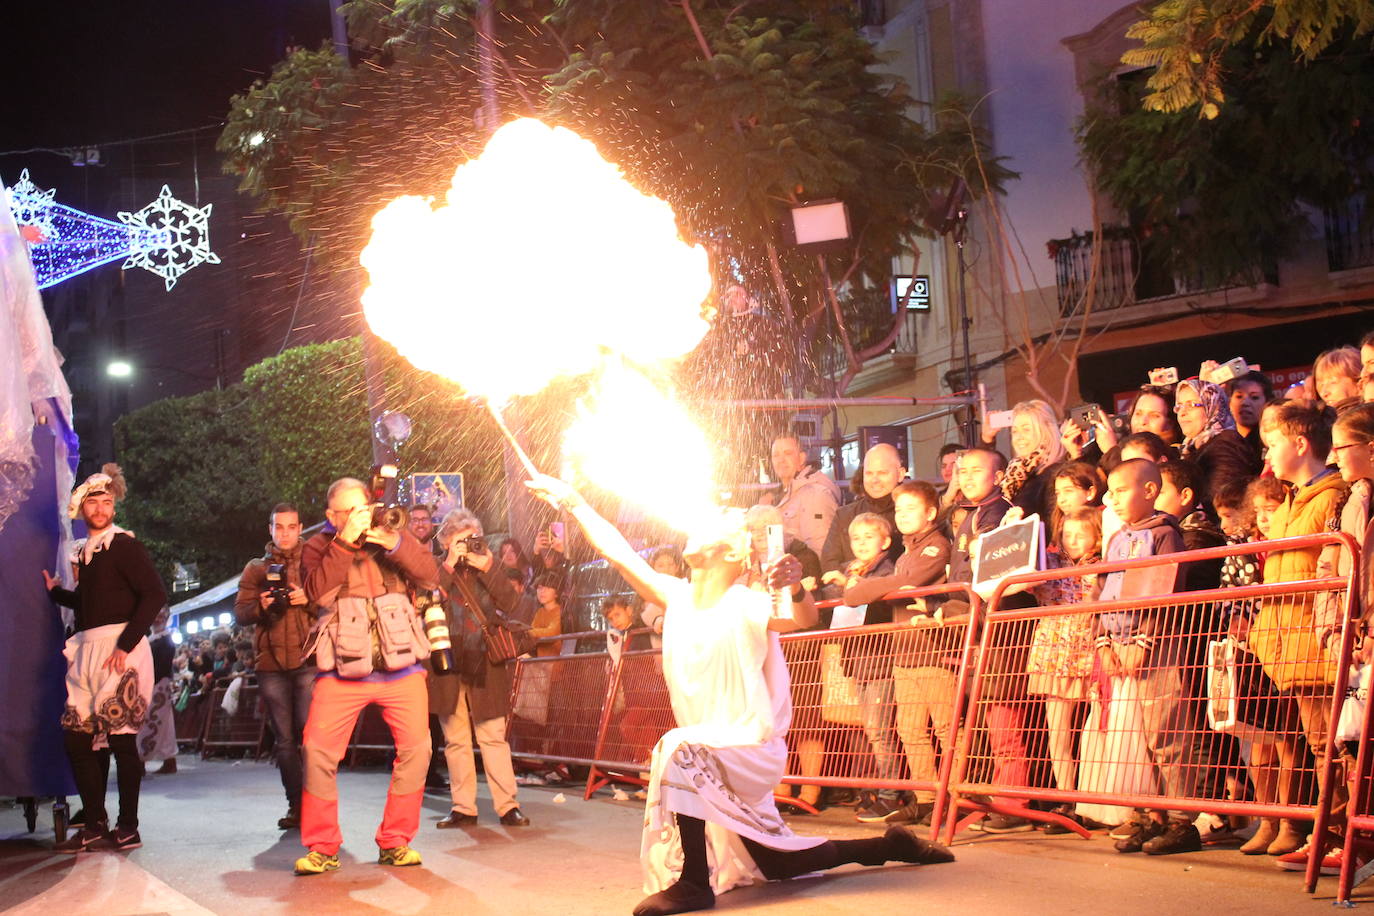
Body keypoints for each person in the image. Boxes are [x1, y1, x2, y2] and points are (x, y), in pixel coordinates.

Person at [525, 473, 953, 916]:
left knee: (677, 745)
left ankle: (693, 883)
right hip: (711, 754)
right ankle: (886, 845)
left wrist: (793, 585)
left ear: (733, 552)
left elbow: (798, 620)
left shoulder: (745, 602)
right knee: (776, 861)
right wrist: (574, 502)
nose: (693, 531)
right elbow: (615, 548)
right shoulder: (676, 596)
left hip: (748, 745)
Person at [294, 477, 440, 876]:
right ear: (331, 516)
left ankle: (395, 841)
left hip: (401, 665)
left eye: (364, 509)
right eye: (349, 512)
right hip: (342, 668)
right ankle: (323, 846)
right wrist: (345, 541)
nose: (361, 517)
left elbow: (431, 575)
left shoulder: (392, 535)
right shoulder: (318, 546)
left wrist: (394, 542)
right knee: (318, 752)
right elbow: (318, 594)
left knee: (418, 749)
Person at [44, 465, 167, 852]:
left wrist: (125, 644)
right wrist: (57, 594)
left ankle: (128, 826)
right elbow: (92, 602)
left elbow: (154, 595)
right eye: (93, 501)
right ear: (83, 508)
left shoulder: (124, 545)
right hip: (87, 650)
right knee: (78, 739)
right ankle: (95, 821)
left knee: (121, 741)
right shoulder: (89, 553)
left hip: (119, 651)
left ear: (114, 505)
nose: (100, 507)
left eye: (106, 501)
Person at [1253, 404, 1351, 871]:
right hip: (1292, 642)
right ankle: (1330, 835)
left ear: (1299, 444)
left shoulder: (1331, 496)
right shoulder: (1295, 499)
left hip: (1319, 641)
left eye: (1273, 442)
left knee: (1336, 745)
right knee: (1322, 745)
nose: (1267, 451)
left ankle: (1343, 838)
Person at [1095, 459, 1199, 855]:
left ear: (1150, 491)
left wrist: (1144, 641)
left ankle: (1181, 821)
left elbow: (1163, 592)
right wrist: (1103, 642)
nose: (1114, 499)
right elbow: (1104, 594)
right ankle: (1146, 814)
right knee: (1133, 739)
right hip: (1118, 645)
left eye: (1121, 490)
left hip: (1154, 647)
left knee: (1166, 736)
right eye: (1111, 492)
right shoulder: (1118, 537)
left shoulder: (1164, 534)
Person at [845, 480, 952, 826]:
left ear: (931, 513)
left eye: (911, 509)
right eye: (900, 509)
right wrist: (885, 586)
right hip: (904, 652)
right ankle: (925, 797)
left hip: (932, 652)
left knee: (948, 729)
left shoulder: (935, 546)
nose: (903, 515)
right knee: (911, 730)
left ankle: (959, 795)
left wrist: (862, 589)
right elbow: (900, 583)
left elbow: (909, 582)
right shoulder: (907, 552)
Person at [430, 508, 531, 829]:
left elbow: (515, 605)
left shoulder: (490, 565)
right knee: (456, 739)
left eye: (473, 539)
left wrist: (488, 567)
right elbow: (426, 598)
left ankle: (507, 805)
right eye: (460, 540)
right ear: (446, 541)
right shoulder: (435, 568)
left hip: (486, 660)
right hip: (447, 660)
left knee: (493, 736)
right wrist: (447, 565)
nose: (467, 546)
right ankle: (463, 807)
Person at [234, 502, 317, 830]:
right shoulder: (256, 568)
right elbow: (240, 612)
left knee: (310, 737)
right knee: (284, 740)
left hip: (307, 659)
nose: (284, 533)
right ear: (270, 529)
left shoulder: (313, 563)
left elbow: (333, 601)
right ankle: (296, 806)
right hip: (270, 663)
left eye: (290, 527)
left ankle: (316, 805)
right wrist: (260, 606)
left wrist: (307, 599)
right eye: (278, 527)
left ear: (299, 528)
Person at [1027, 506, 1103, 828]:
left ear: (1096, 537)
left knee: (1094, 733)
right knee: (1057, 733)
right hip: (1053, 653)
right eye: (1068, 534)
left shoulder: (1103, 566)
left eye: (1080, 534)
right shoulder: (1050, 563)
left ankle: (1095, 799)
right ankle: (1066, 798)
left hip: (1089, 654)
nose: (1072, 540)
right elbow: (1022, 579)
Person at [820, 443, 906, 583]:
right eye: (869, 473)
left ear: (900, 474)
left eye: (882, 473)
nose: (875, 480)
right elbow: (829, 563)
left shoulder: (911, 514)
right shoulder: (844, 515)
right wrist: (849, 578)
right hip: (850, 600)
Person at [1175, 377, 1262, 511]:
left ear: (1213, 406)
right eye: (1179, 406)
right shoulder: (1192, 446)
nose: (1182, 413)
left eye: (1192, 405)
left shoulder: (1226, 444)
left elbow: (1222, 502)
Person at [770, 433, 841, 557]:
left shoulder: (816, 495)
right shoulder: (784, 495)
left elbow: (820, 550)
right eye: (776, 455)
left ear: (802, 459)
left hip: (805, 574)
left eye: (788, 453)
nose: (781, 460)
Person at [138, 607, 179, 775]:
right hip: (155, 684)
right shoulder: (152, 639)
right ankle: (169, 759)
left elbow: (160, 666)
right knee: (165, 724)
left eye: (161, 616)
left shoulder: (165, 641)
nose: (157, 619)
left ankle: (141, 759)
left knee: (150, 722)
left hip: (157, 686)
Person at [1228, 371, 1273, 456]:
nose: (1245, 403)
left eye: (1254, 397)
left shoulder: (1270, 442)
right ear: (1229, 401)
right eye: (1239, 396)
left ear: (1267, 402)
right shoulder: (1224, 440)